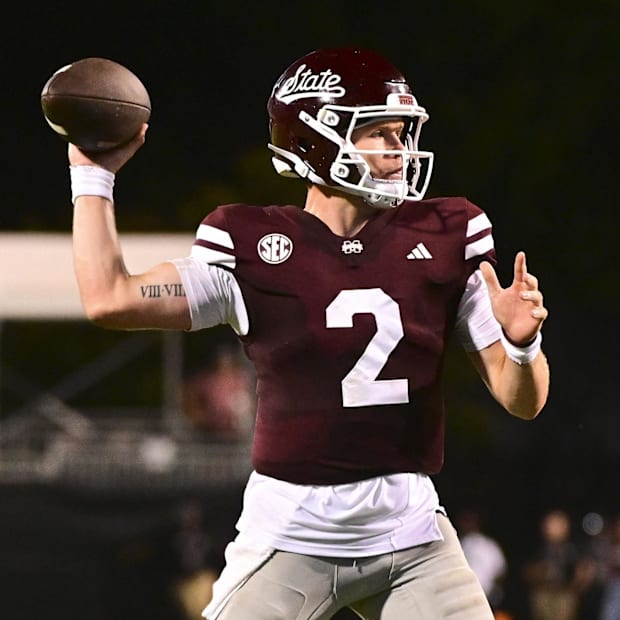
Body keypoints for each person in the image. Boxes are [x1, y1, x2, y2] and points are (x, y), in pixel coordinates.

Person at [66, 47, 549, 619]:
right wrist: (93, 175)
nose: (400, 151)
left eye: (402, 132)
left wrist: (522, 344)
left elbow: (525, 402)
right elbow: (110, 298)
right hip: (291, 536)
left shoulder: (446, 233)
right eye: (380, 134)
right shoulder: (251, 245)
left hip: (412, 537)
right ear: (318, 140)